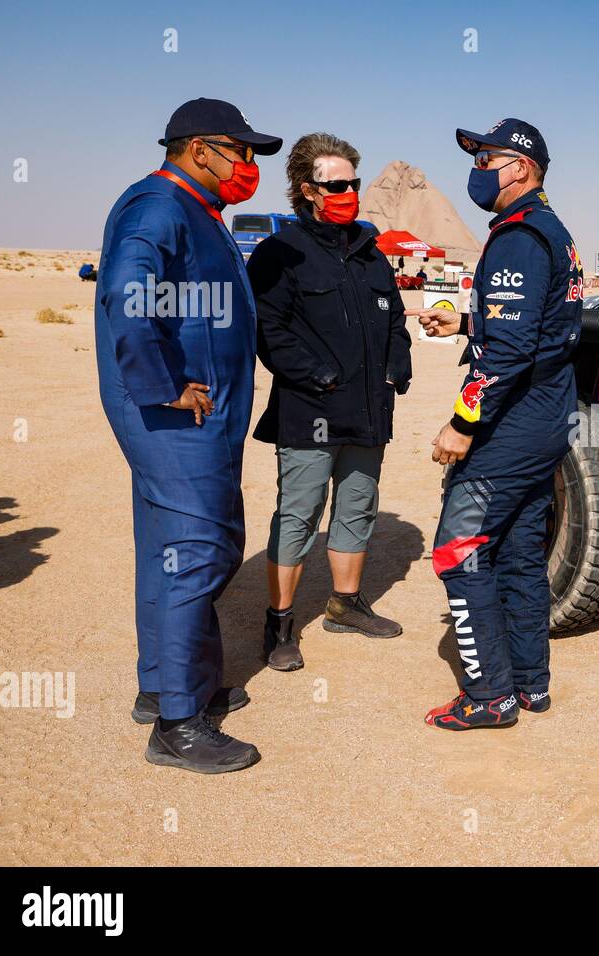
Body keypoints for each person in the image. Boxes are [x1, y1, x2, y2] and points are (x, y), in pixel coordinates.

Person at [95, 98, 281, 773]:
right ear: (200, 148)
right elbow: (126, 292)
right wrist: (163, 382)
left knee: (168, 552)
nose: (249, 166)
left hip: (197, 416)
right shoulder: (159, 207)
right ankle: (178, 725)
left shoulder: (196, 211)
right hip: (179, 417)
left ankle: (171, 687)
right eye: (242, 151)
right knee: (201, 551)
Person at [409, 118, 583, 730]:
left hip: (511, 425)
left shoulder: (517, 238)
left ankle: (490, 697)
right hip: (547, 419)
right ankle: (531, 685)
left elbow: (509, 355)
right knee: (514, 552)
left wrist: (460, 424)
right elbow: (539, 329)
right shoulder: (551, 233)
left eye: (487, 158)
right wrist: (463, 325)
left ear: (521, 168)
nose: (478, 169)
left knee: (458, 550)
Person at [247, 133, 413, 671]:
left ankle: (345, 605)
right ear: (308, 190)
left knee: (357, 507)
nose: (348, 192)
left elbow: (393, 319)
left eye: (353, 183)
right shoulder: (281, 253)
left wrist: (398, 360)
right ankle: (279, 623)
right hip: (310, 411)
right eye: (335, 184)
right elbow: (268, 331)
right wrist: (317, 376)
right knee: (298, 514)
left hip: (368, 412)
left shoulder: (369, 251)